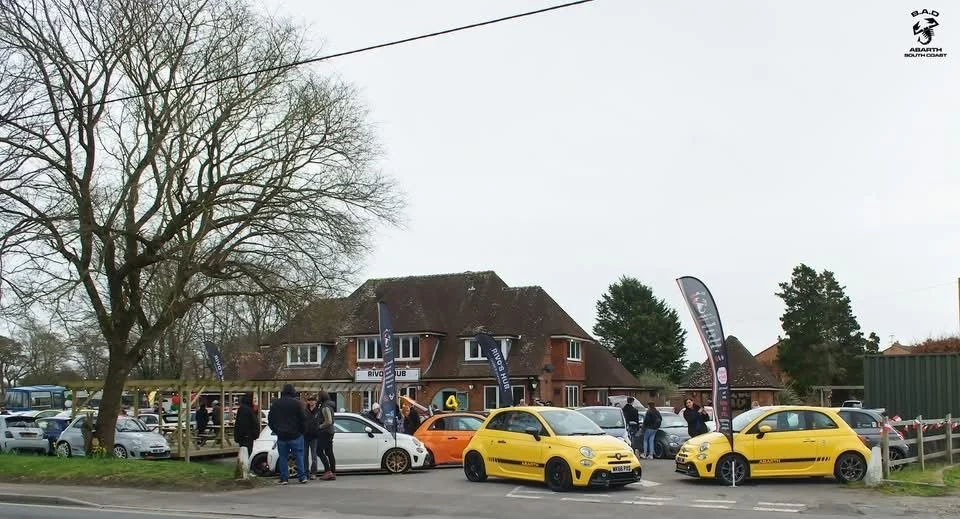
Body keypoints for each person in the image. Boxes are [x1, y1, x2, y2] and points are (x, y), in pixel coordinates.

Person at [268, 384, 307, 485]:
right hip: (296, 435)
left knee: (283, 457)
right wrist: (302, 431)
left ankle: (284, 478)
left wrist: (276, 430)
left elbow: (270, 419)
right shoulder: (297, 404)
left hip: (281, 435)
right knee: (299, 456)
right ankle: (302, 477)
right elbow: (303, 418)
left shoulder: (276, 404)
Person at [316, 391, 336, 480]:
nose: (317, 398)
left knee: (319, 451)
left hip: (325, 432)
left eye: (318, 396)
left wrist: (319, 427)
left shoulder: (325, 407)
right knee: (329, 452)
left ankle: (328, 471)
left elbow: (328, 421)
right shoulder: (330, 405)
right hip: (330, 431)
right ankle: (332, 471)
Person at [303, 395, 322, 480]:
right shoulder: (304, 411)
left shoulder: (318, 411)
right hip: (305, 436)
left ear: (315, 401)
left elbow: (321, 421)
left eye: (313, 400)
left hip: (314, 436)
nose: (311, 402)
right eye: (310, 400)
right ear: (308, 401)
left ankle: (313, 473)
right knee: (305, 455)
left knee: (314, 455)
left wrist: (318, 428)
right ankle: (306, 472)